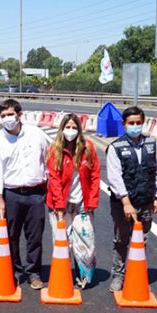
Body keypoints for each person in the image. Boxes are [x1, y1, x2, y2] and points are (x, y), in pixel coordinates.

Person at [0, 98, 50, 290]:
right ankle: (13, 271)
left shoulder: (36, 134)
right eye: (3, 116)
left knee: (35, 236)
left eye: (10, 115)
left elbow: (49, 156)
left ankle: (33, 273)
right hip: (11, 193)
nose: (7, 119)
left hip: (36, 193)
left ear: (19, 115)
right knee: (11, 235)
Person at [106, 106, 157, 292]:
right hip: (123, 205)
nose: (135, 126)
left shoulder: (151, 145)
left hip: (145, 202)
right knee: (121, 240)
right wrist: (126, 203)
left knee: (141, 240)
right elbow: (114, 177)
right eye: (131, 123)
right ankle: (118, 274)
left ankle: (135, 273)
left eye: (138, 123)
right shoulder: (116, 147)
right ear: (124, 124)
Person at [46, 113, 100, 289]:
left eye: (74, 127)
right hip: (59, 205)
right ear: (62, 129)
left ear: (79, 129)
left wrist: (91, 202)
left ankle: (84, 275)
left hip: (82, 205)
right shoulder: (55, 149)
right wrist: (59, 205)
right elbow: (53, 179)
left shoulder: (88, 148)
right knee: (62, 241)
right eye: (67, 127)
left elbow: (95, 176)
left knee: (86, 242)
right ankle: (63, 276)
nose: (71, 131)